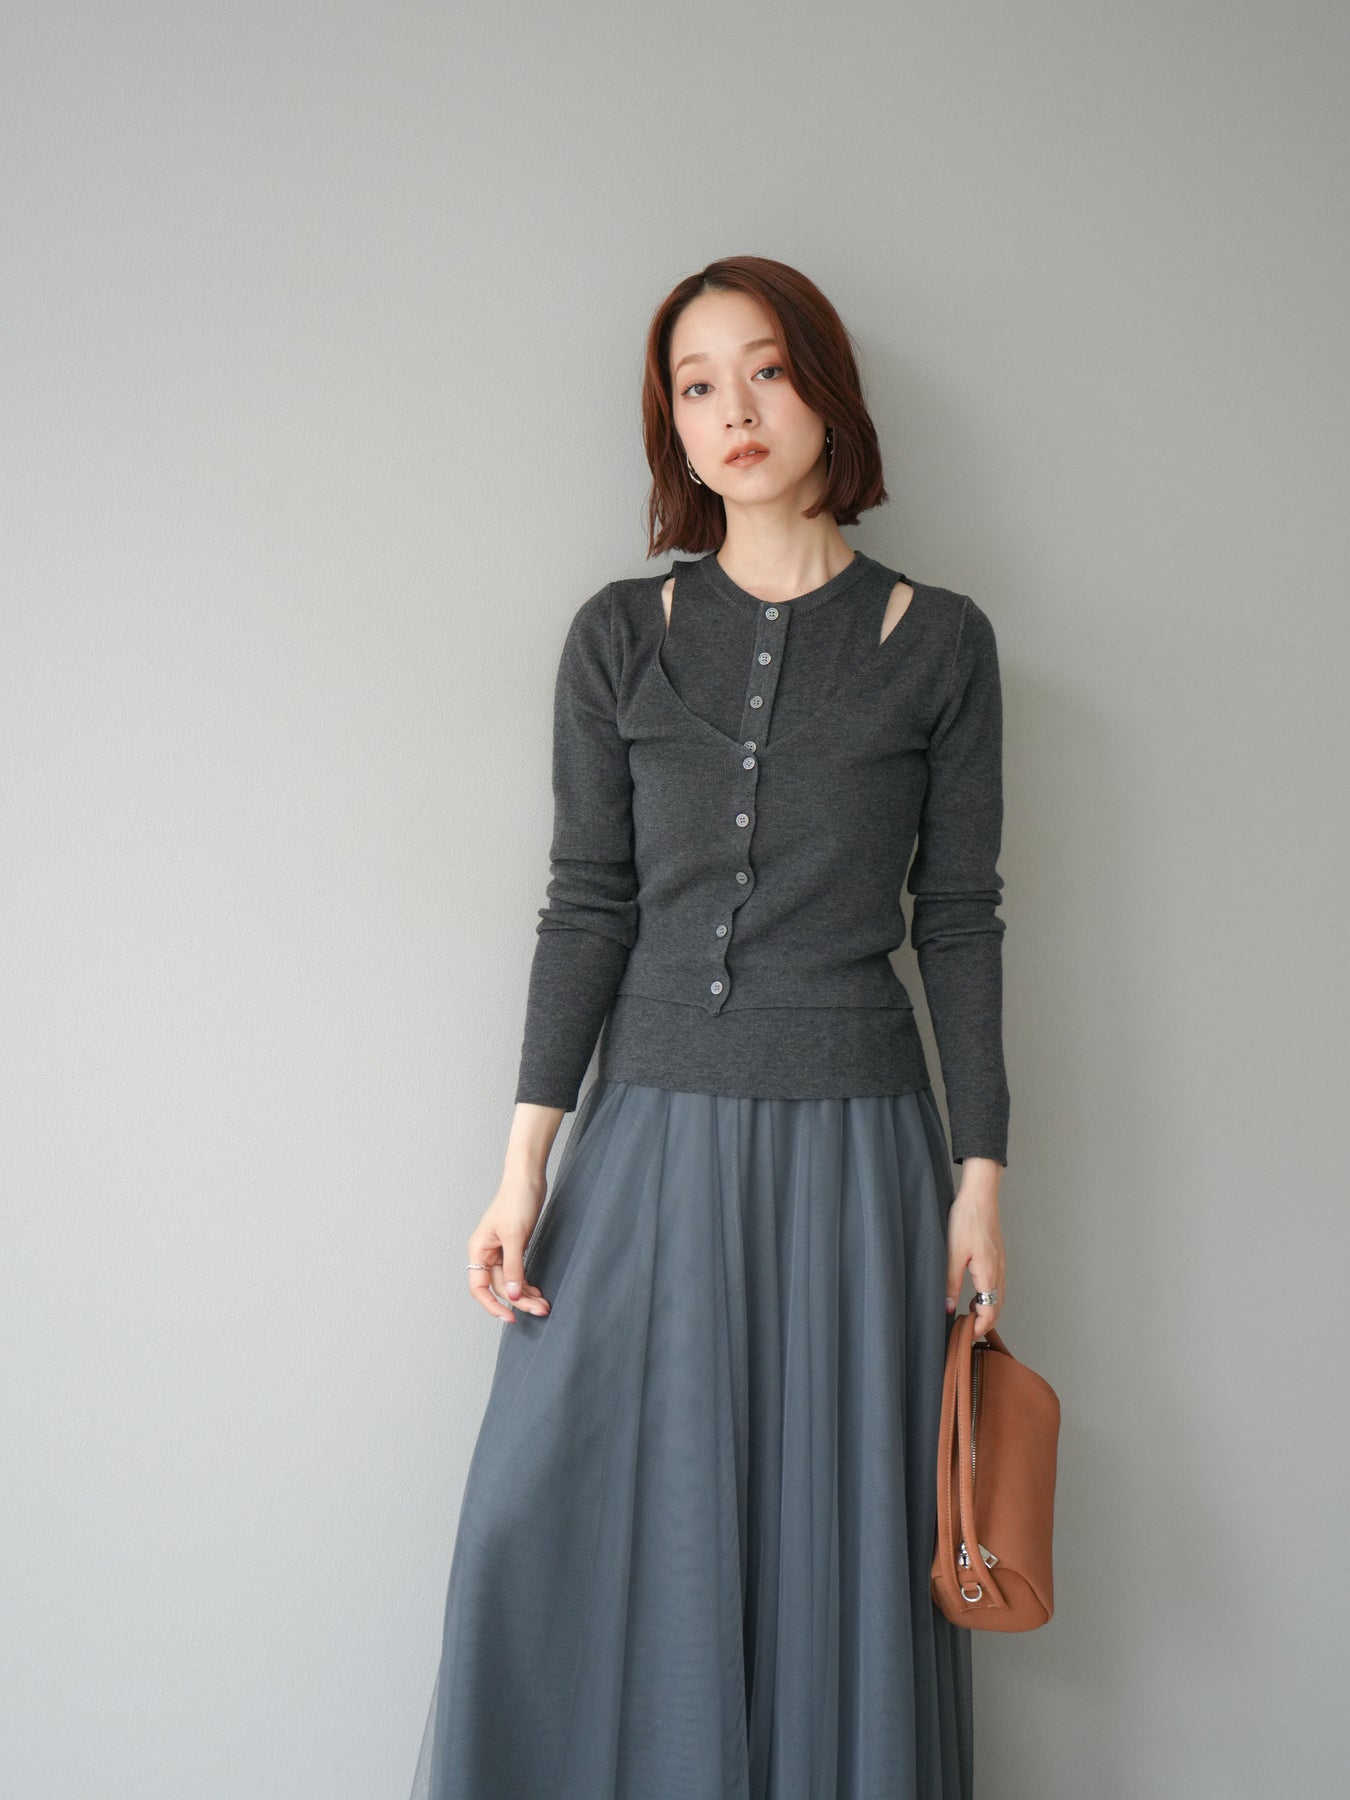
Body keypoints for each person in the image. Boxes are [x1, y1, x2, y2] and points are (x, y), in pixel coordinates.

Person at [409, 254, 1009, 1800]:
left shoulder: (941, 643)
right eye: (694, 384)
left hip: (857, 1159)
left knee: (826, 1550)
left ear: (825, 393)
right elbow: (586, 906)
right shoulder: (619, 635)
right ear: (667, 425)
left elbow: (957, 920)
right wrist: (522, 1168)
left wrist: (980, 1176)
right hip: (649, 1145)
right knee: (551, 1519)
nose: (732, 409)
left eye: (765, 370)